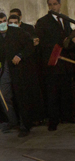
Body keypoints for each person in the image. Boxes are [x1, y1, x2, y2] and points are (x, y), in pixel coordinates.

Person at [0, 13, 36, 137]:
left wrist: (20, 55)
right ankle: (12, 120)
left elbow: (29, 45)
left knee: (21, 96)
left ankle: (25, 125)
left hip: (19, 69)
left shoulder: (17, 31)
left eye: (4, 20)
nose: (3, 23)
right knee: (3, 94)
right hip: (6, 68)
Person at [36, 0, 73, 131]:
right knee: (52, 92)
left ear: (60, 4)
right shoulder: (42, 22)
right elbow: (42, 43)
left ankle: (67, 116)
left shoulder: (66, 20)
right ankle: (53, 120)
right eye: (50, 4)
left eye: (55, 4)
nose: (52, 7)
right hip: (52, 62)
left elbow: (68, 39)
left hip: (65, 62)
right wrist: (61, 42)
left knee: (66, 90)